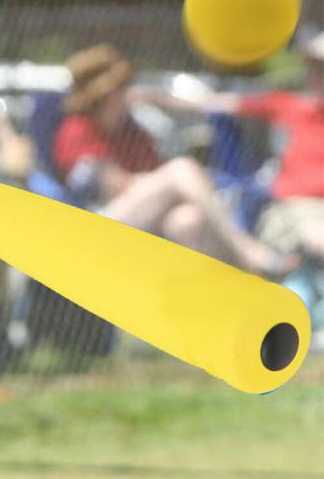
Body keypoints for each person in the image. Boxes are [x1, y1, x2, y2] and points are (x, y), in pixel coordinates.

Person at [130, 29, 324, 317]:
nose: (317, 77)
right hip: (296, 210)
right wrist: (150, 96)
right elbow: (212, 103)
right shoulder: (290, 105)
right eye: (315, 69)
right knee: (316, 237)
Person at [53, 44, 292, 276]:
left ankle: (206, 296)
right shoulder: (78, 130)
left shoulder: (131, 132)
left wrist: (165, 182)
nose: (129, 93)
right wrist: (168, 181)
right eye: (122, 87)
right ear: (104, 93)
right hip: (96, 228)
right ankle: (245, 248)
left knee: (187, 220)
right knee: (182, 169)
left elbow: (155, 173)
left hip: (142, 215)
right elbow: (119, 186)